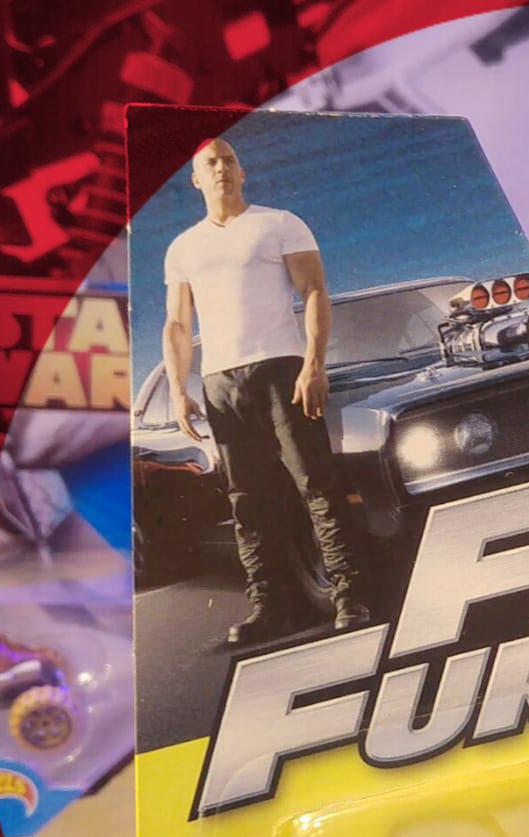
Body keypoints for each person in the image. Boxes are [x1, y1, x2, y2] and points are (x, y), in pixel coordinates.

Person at [161, 137, 369, 645]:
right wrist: (178, 389)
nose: (221, 168)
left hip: (282, 371)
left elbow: (314, 291)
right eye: (211, 163)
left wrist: (313, 365)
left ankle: (350, 597)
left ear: (243, 171)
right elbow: (177, 323)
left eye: (229, 160)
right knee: (248, 501)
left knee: (316, 486)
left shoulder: (279, 223)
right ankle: (271, 609)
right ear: (196, 179)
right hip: (221, 382)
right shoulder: (183, 247)